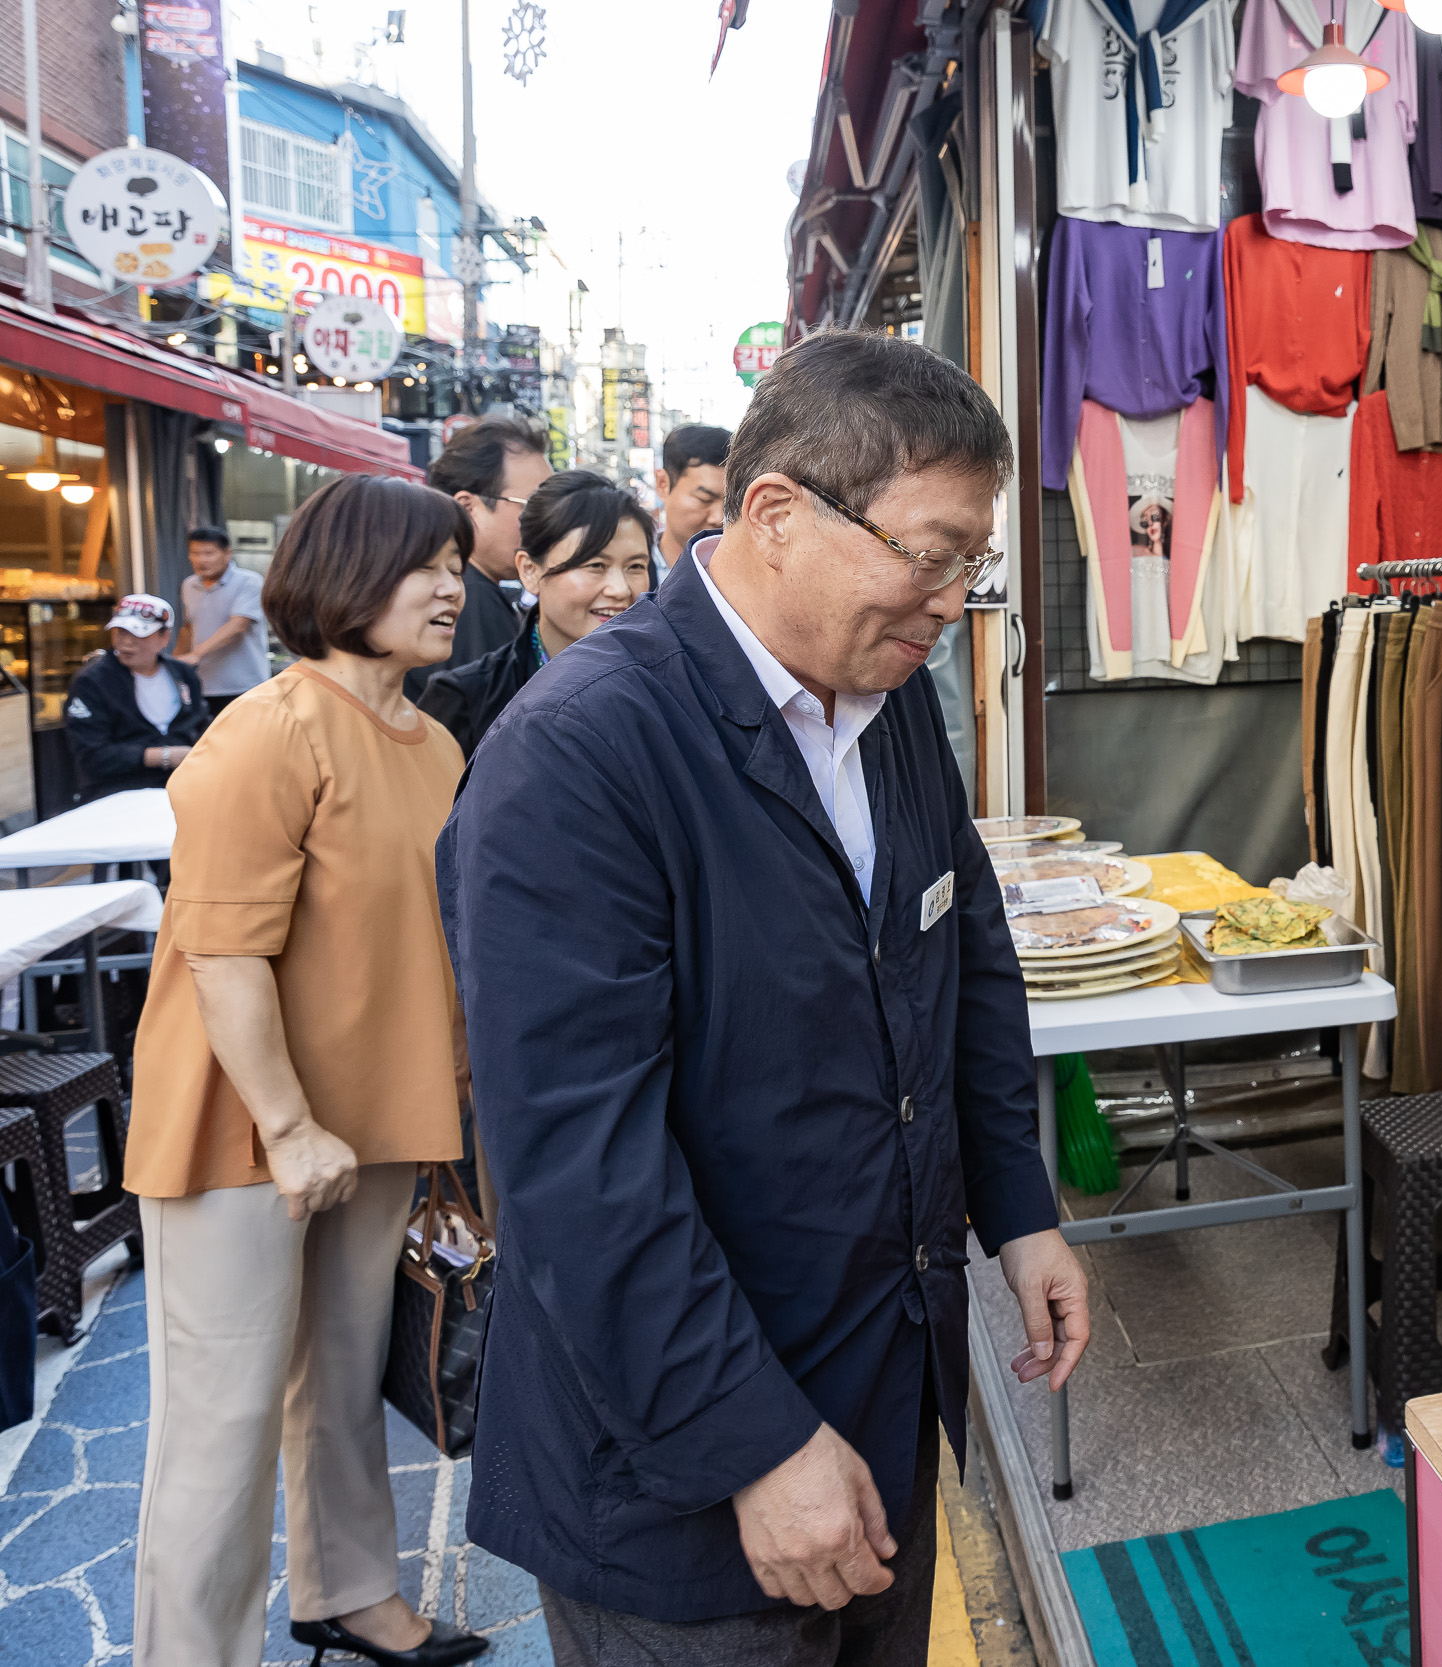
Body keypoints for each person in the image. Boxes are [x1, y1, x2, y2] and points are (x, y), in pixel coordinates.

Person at [440, 329, 1089, 1665]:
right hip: (686, 1481)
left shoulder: (886, 690)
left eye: (974, 562)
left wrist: (1017, 1209)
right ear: (777, 514)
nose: (953, 596)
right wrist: (752, 1439)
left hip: (877, 1391)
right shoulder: (577, 757)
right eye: (930, 551)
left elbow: (958, 946)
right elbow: (578, 1166)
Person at [123, 475, 488, 1667]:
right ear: (341, 580)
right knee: (217, 1424)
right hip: (248, 1129)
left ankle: (351, 1589)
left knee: (339, 1379)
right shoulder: (267, 728)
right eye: (420, 564)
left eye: (453, 560)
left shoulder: (431, 741)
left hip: (373, 1118)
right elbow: (222, 950)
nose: (450, 585)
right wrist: (287, 1124)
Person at [418, 470, 656, 755]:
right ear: (529, 571)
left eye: (636, 567)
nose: (620, 589)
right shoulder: (468, 699)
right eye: (595, 565)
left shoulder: (670, 689)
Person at [410, 414, 554, 694]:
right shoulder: (467, 599)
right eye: (533, 506)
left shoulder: (448, 588)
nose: (548, 522)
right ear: (466, 508)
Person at [63, 593, 209, 802]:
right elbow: (91, 755)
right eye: (121, 632)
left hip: (185, 787)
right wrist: (164, 756)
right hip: (118, 794)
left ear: (164, 637)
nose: (126, 642)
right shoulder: (92, 681)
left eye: (139, 634)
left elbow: (202, 726)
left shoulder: (183, 674)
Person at [171, 526, 272, 714]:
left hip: (244, 685)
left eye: (209, 553)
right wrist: (174, 663)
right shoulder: (189, 585)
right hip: (203, 685)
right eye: (195, 553)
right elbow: (189, 627)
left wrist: (197, 654)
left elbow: (238, 626)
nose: (202, 560)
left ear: (227, 553)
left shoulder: (249, 582)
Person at [652, 422, 732, 583]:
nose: (719, 518)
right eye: (705, 499)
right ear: (663, 484)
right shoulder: (632, 577)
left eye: (731, 503)